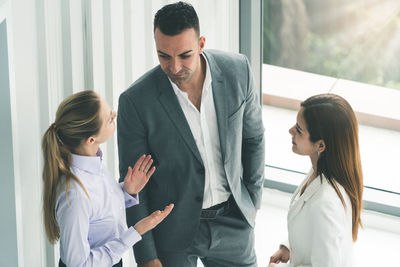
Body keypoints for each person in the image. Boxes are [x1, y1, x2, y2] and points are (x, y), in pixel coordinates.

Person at [117, 2, 265, 266]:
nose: (174, 68)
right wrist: (146, 256)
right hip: (171, 230)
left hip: (232, 221)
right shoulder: (136, 101)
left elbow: (253, 139)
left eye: (185, 55)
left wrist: (253, 201)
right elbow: (133, 187)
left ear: (201, 44)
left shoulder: (238, 71)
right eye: (164, 56)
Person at [41, 90, 174, 267]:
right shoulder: (75, 194)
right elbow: (78, 265)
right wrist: (136, 232)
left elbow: (99, 213)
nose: (115, 114)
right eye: (110, 118)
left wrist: (126, 192)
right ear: (90, 139)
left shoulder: (93, 164)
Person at [268, 94, 363, 267]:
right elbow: (314, 230)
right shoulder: (320, 171)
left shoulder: (326, 204)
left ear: (320, 145)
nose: (291, 131)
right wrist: (288, 247)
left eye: (298, 129)